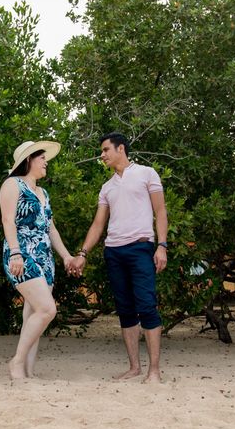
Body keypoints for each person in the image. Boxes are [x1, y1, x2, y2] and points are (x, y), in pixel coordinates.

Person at [69, 133, 168, 383]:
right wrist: (83, 253)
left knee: (146, 306)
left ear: (120, 148)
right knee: (125, 310)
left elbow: (160, 211)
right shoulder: (107, 187)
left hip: (140, 248)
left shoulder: (147, 173)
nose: (102, 155)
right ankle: (134, 367)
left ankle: (153, 371)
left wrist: (162, 246)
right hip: (113, 251)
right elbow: (98, 224)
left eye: (105, 150)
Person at [0, 140, 73, 379]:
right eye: (42, 158)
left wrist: (66, 256)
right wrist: (15, 253)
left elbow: (51, 230)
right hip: (22, 253)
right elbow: (8, 221)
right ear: (29, 160)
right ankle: (16, 362)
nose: (46, 162)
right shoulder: (13, 184)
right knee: (47, 309)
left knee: (33, 315)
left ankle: (28, 372)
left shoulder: (44, 193)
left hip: (45, 257)